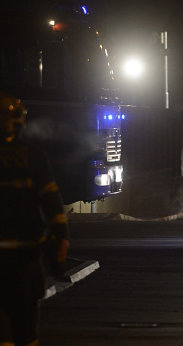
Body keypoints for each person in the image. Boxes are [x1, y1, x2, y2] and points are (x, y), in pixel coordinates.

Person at [0, 93, 70, 346]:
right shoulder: (33, 156)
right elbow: (51, 201)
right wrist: (61, 237)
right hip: (25, 252)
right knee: (25, 322)